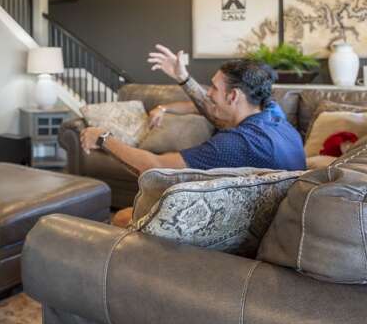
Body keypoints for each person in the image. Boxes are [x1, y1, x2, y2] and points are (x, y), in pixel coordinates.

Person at [80, 44, 305, 227]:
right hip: (279, 221)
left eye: (214, 88)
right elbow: (215, 113)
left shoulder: (236, 144)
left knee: (121, 218)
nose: (209, 93)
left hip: (250, 231)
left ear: (233, 96)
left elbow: (156, 168)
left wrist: (103, 138)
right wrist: (183, 77)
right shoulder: (274, 116)